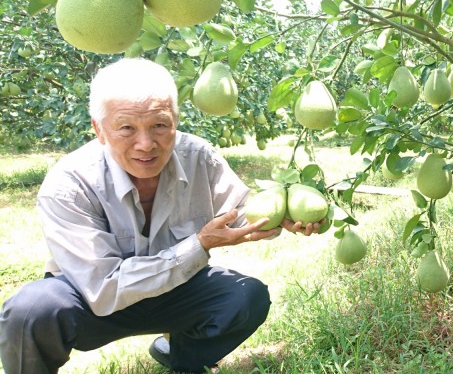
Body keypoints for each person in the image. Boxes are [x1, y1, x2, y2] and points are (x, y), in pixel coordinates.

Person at [0, 58, 320, 374]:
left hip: (174, 292)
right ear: (99, 129)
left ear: (176, 121)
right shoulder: (69, 183)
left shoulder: (198, 157)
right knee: (30, 311)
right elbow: (104, 288)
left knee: (246, 296)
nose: (146, 144)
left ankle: (183, 359)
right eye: (126, 127)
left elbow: (239, 212)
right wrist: (199, 244)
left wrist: (282, 218)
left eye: (159, 126)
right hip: (94, 302)